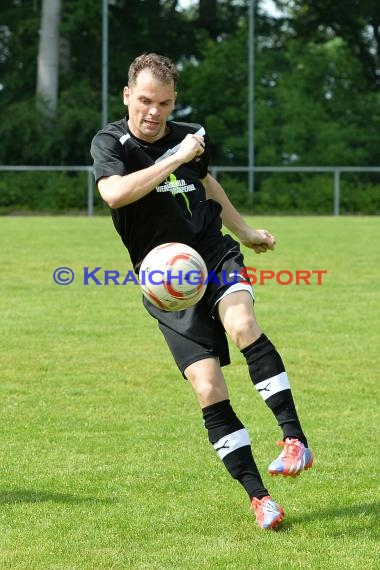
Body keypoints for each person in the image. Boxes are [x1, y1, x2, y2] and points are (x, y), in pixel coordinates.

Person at [90, 53, 313, 530]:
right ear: (128, 95)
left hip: (210, 254)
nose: (154, 112)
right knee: (208, 387)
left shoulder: (190, 137)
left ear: (174, 103)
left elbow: (207, 184)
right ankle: (260, 497)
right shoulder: (111, 141)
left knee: (242, 323)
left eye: (164, 104)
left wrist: (247, 231)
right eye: (145, 101)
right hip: (163, 280)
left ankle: (294, 439)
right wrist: (174, 157)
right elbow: (113, 194)